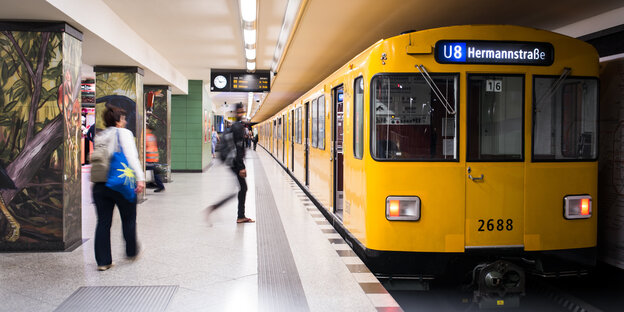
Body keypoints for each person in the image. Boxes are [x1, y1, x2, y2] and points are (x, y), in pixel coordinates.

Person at [91, 106, 145, 271]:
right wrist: (140, 178)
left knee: (103, 222)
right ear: (117, 121)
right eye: (123, 118)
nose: (125, 121)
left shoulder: (100, 136)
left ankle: (103, 261)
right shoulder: (124, 134)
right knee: (128, 218)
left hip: (100, 185)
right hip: (120, 184)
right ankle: (131, 252)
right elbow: (131, 157)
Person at [209, 103, 254, 223]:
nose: (241, 114)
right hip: (234, 162)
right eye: (239, 112)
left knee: (240, 189)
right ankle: (239, 215)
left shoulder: (235, 126)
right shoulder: (238, 127)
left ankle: (237, 214)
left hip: (231, 161)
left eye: (242, 112)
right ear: (235, 113)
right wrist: (241, 167)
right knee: (243, 188)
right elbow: (237, 148)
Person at [146, 125, 165, 192]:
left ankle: (149, 184)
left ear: (149, 130)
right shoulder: (152, 136)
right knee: (155, 172)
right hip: (153, 158)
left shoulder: (146, 137)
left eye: (146, 128)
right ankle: (159, 186)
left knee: (141, 170)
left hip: (149, 159)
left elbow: (144, 147)